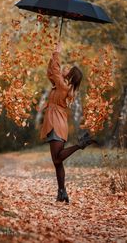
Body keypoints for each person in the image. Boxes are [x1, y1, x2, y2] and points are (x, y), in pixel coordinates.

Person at [39, 41, 94, 203]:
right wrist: (53, 56)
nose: (65, 68)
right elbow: (51, 73)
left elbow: (55, 72)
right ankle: (62, 192)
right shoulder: (63, 86)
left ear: (70, 76)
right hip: (57, 121)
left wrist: (57, 52)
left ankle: (80, 145)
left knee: (57, 159)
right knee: (57, 163)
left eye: (68, 69)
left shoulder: (63, 86)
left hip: (56, 122)